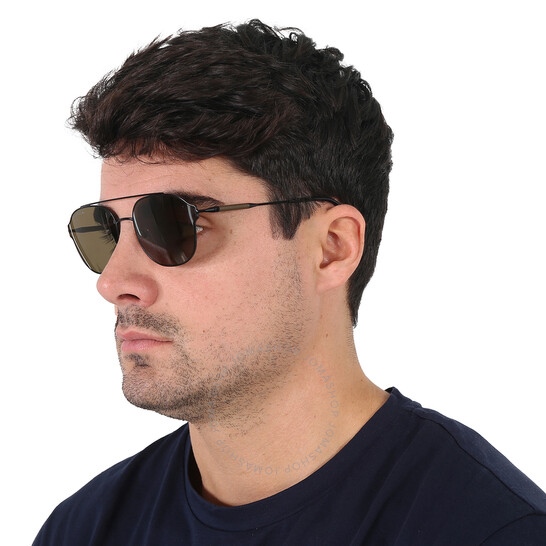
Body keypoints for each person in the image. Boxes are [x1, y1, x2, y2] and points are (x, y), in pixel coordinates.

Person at [34, 19, 545, 545]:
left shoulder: (493, 531)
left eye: (174, 226)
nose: (113, 281)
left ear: (332, 248)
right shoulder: (84, 530)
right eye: (107, 230)